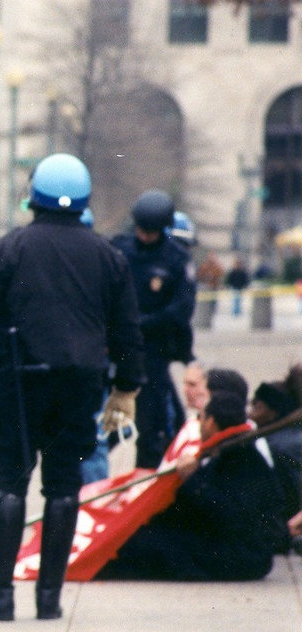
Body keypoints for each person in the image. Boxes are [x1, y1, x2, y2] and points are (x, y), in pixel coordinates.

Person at [0, 153, 144, 621]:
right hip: (80, 385)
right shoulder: (108, 256)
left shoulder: (8, 249)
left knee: (10, 482)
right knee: (64, 487)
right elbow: (127, 330)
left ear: (33, 194)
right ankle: (49, 599)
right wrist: (126, 388)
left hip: (17, 382)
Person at [97, 388, 288, 581]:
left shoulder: (243, 460)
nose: (200, 423)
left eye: (202, 418)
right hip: (235, 548)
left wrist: (193, 479)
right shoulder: (231, 453)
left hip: (241, 555)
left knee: (144, 545)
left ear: (211, 422)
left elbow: (228, 514)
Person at [111, 189, 196, 469]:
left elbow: (181, 310)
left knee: (152, 428)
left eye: (152, 231)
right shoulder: (119, 250)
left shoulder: (176, 260)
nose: (145, 236)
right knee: (107, 424)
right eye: (141, 229)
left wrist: (142, 323)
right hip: (115, 347)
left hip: (153, 352)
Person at [247, 367, 302, 527]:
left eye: (258, 407)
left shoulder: (283, 445)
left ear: (274, 413)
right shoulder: (276, 438)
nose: (250, 412)